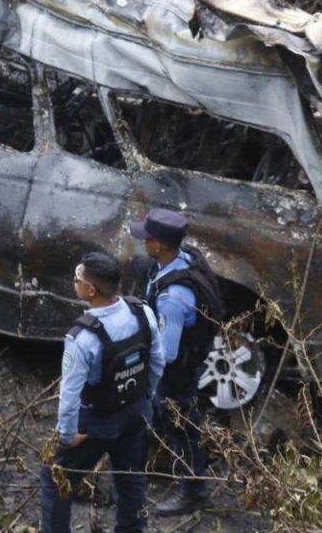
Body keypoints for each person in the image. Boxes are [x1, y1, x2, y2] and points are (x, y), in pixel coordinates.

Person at [40, 252, 165, 533]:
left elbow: (69, 395)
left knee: (55, 479)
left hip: (97, 423)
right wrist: (145, 398)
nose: (74, 282)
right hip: (135, 412)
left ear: (90, 290)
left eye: (77, 279)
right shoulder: (142, 312)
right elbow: (158, 360)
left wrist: (67, 436)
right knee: (131, 478)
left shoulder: (82, 338)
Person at [131, 208, 215, 516]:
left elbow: (167, 354)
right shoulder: (180, 260)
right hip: (183, 364)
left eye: (147, 238)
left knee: (181, 426)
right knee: (173, 420)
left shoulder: (173, 297)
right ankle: (167, 460)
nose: (143, 242)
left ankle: (192, 492)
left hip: (176, 373)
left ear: (159, 244)